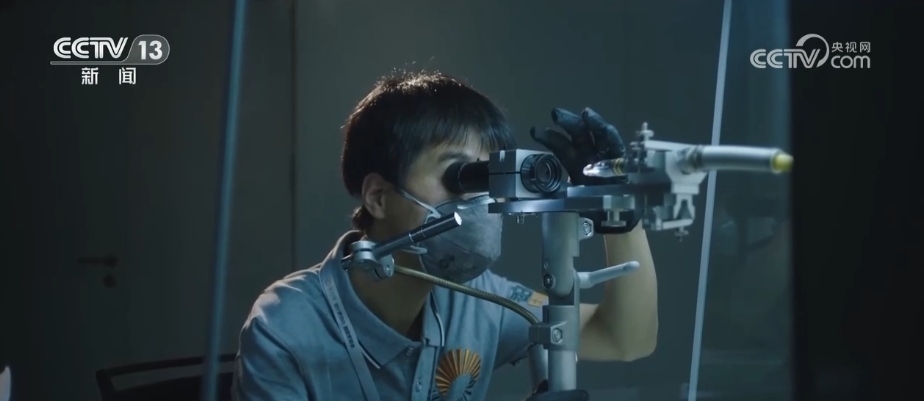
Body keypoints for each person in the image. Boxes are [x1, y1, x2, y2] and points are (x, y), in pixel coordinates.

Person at [232, 71, 659, 401]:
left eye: (488, 179)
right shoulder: (285, 327)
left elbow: (625, 337)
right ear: (378, 196)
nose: (478, 199)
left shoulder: (479, 301)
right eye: (460, 174)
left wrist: (617, 209)